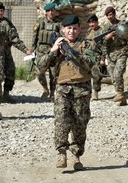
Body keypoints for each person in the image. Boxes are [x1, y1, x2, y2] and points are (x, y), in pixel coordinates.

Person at [36, 15, 96, 170]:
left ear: (79, 29)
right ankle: (61, 153)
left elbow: (91, 64)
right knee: (61, 121)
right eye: (68, 28)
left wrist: (73, 53)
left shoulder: (87, 44)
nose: (72, 31)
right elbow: (41, 67)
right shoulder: (57, 46)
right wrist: (54, 51)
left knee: (80, 124)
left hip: (81, 89)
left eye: (75, 28)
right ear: (63, 29)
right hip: (62, 89)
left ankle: (76, 155)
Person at [102, 6, 128, 106]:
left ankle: (120, 93)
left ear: (114, 14)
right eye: (108, 15)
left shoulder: (121, 24)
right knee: (113, 77)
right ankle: (122, 97)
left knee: (118, 73)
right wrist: (108, 37)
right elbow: (101, 43)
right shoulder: (105, 28)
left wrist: (123, 32)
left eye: (111, 14)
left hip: (122, 52)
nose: (110, 17)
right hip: (110, 55)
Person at [32, 2, 61, 100]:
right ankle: (45, 89)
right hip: (41, 52)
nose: (52, 12)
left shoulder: (59, 23)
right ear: (46, 12)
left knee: (54, 74)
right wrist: (32, 50)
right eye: (49, 11)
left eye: (53, 10)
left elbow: (62, 37)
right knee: (39, 72)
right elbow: (34, 37)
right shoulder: (40, 22)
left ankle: (52, 93)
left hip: (54, 52)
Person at [0, 2, 16, 103]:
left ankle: (6, 94)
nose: (0, 12)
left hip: (6, 52)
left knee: (10, 71)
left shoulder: (7, 22)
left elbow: (14, 35)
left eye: (2, 11)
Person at [85, 14, 106, 100]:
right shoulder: (89, 31)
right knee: (87, 75)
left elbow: (104, 46)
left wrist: (103, 59)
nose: (91, 24)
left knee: (96, 76)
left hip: (97, 56)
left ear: (97, 22)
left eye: (93, 22)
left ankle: (95, 92)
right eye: (90, 23)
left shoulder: (101, 32)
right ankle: (88, 92)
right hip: (88, 56)